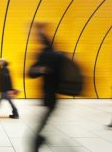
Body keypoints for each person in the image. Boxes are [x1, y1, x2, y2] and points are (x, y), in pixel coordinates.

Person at [28, 23, 62, 152]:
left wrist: (40, 68)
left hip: (49, 97)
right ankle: (41, 140)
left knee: (35, 136)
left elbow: (30, 72)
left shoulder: (45, 55)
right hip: (53, 97)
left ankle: (39, 141)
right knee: (41, 127)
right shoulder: (57, 54)